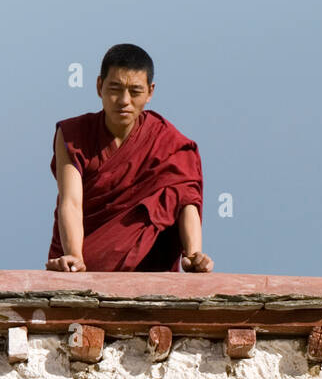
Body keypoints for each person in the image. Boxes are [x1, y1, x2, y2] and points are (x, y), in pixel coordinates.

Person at [46, 43, 213, 273]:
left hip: (146, 272)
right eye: (115, 88)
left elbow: (184, 198)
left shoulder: (169, 142)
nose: (124, 100)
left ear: (150, 92)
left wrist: (194, 254)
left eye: (135, 91)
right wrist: (74, 256)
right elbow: (71, 201)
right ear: (99, 86)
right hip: (80, 266)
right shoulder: (74, 135)